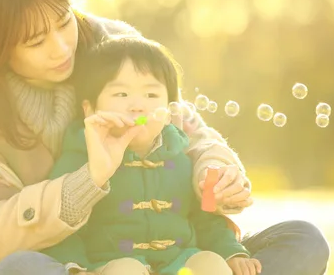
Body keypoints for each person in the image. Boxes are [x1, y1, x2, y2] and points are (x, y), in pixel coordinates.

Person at [0, 0, 329, 275]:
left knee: (302, 241)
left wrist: (215, 174)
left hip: (176, 255)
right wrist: (87, 181)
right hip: (77, 261)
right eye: (35, 41)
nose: (62, 48)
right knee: (17, 269)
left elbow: (188, 130)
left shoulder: (114, 46)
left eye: (63, 23)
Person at [41, 35, 262, 275]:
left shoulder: (179, 156)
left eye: (152, 96)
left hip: (176, 263)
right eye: (121, 95)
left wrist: (232, 252)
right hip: (107, 264)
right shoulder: (79, 159)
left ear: (169, 112)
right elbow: (62, 228)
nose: (138, 106)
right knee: (127, 270)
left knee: (211, 263)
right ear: (90, 109)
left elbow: (205, 219)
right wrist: (76, 268)